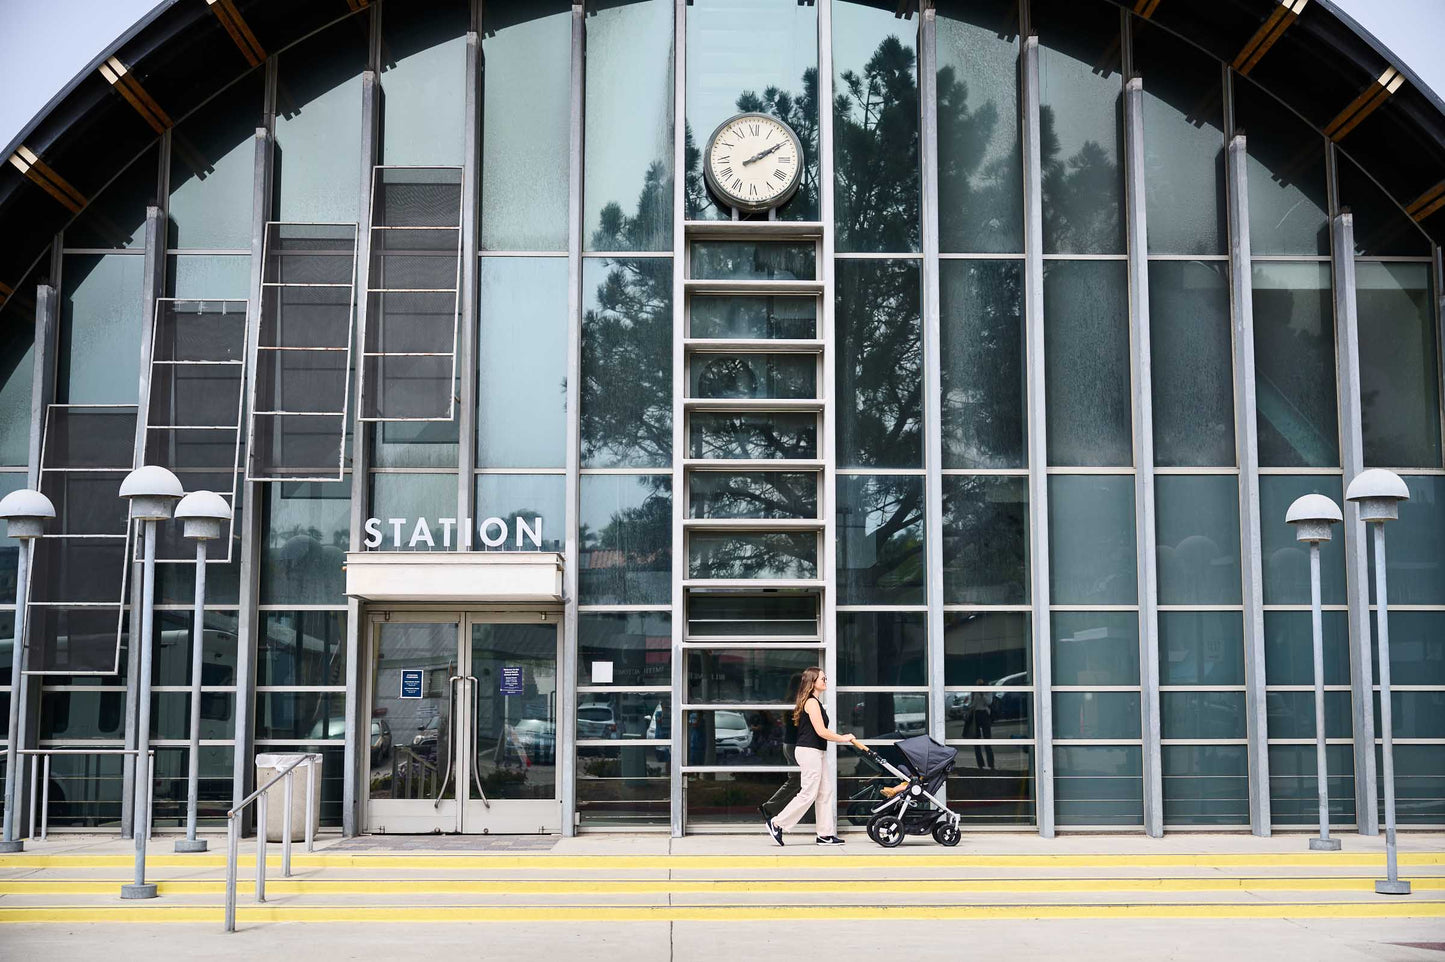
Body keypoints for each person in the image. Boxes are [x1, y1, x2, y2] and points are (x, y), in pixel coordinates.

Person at [764, 666, 857, 846]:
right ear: (813, 682)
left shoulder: (814, 701)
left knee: (825, 791)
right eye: (823, 678)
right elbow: (821, 731)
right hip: (809, 751)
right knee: (808, 792)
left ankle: (825, 834)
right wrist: (843, 738)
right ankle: (776, 823)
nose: (826, 681)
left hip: (815, 751)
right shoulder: (811, 703)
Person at [758, 673, 803, 821]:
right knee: (799, 781)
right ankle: (769, 808)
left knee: (799, 781)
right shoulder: (797, 702)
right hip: (795, 745)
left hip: (790, 744)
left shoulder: (791, 700)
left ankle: (770, 808)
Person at [964, 680, 995, 770]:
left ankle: (991, 764)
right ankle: (980, 764)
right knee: (976, 741)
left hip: (984, 714)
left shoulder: (988, 690)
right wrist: (968, 709)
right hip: (976, 715)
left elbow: (989, 702)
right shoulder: (974, 691)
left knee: (987, 740)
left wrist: (982, 693)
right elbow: (972, 703)